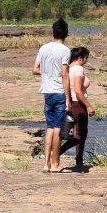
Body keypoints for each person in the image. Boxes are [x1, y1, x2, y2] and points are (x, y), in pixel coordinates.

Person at [33, 18, 71, 172]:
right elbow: (64, 75)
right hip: (59, 92)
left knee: (50, 127)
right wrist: (68, 97)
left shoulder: (43, 48)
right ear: (66, 34)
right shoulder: (65, 50)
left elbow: (35, 69)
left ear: (53, 32)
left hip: (47, 92)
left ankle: (46, 164)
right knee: (57, 129)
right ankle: (55, 164)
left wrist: (47, 72)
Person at [59, 47, 94, 168]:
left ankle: (78, 159)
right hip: (78, 104)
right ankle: (58, 153)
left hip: (69, 103)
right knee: (80, 135)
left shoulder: (67, 68)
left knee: (74, 133)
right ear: (81, 58)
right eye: (86, 58)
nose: (86, 61)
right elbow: (78, 91)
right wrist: (89, 106)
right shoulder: (78, 69)